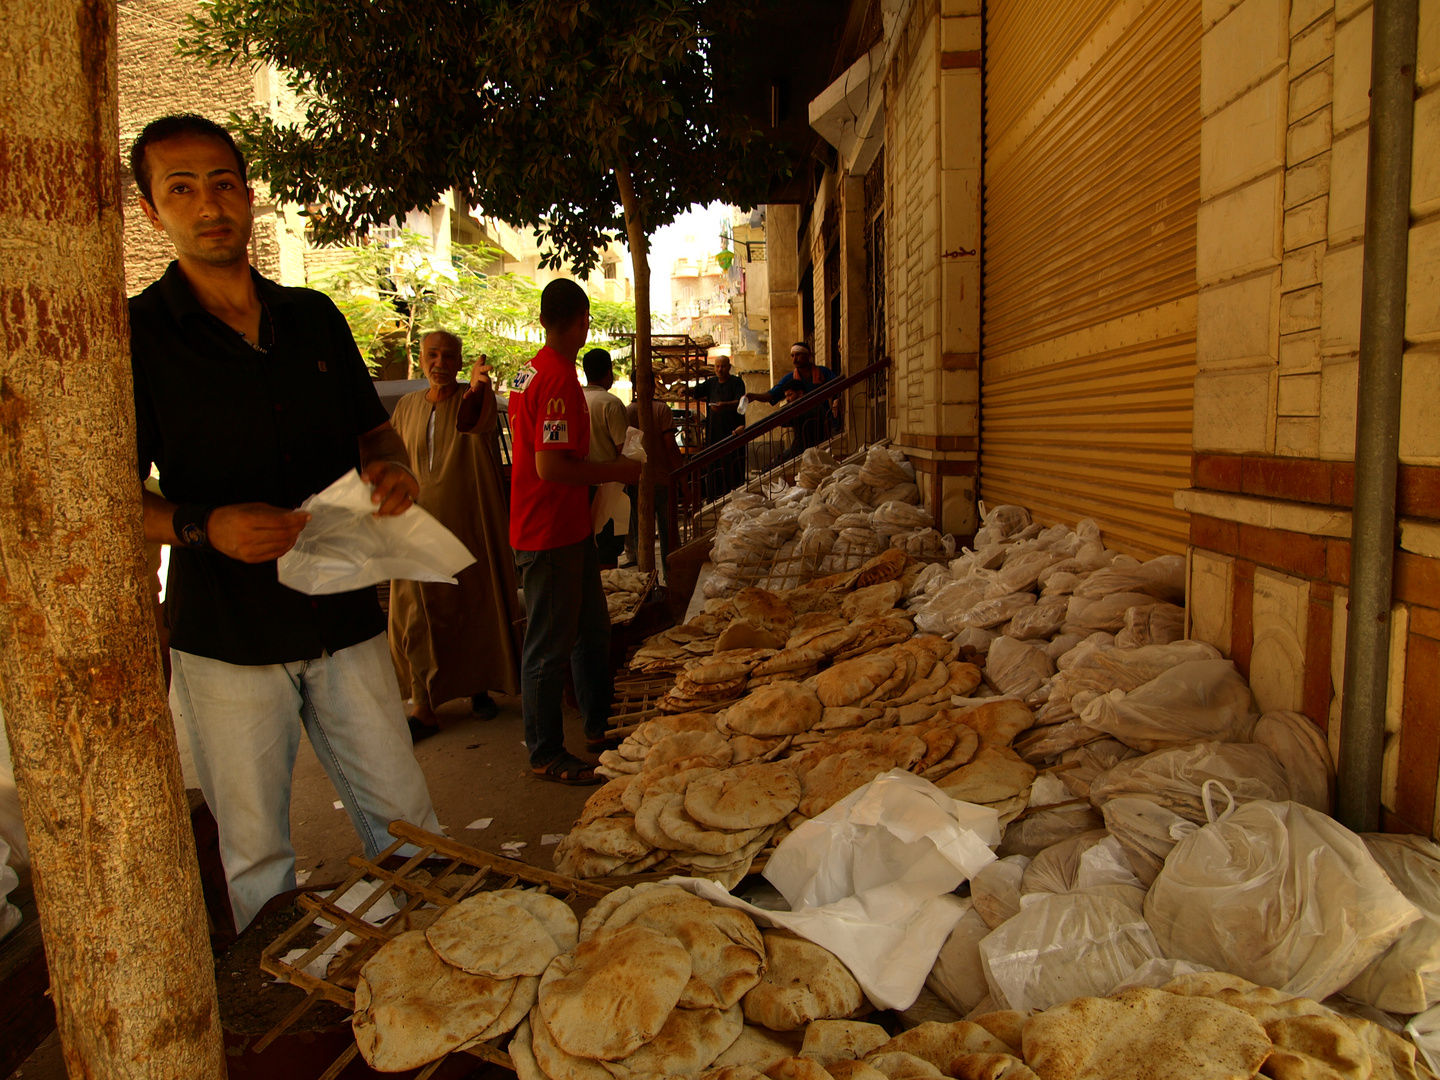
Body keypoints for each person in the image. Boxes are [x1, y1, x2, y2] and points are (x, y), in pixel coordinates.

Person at [127, 113, 440, 930]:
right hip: (226, 636)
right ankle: (296, 1020)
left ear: (248, 193)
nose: (209, 205)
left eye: (223, 183)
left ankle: (444, 976)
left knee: (410, 822)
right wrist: (201, 526)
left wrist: (390, 465)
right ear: (151, 210)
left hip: (340, 609)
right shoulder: (135, 338)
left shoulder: (312, 317)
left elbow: (368, 427)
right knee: (259, 854)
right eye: (181, 189)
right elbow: (105, 502)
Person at [508, 279, 642, 785]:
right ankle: (544, 751)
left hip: (564, 527)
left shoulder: (527, 370)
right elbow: (551, 467)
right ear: (583, 319)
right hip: (548, 531)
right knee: (547, 645)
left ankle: (598, 724)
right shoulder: (560, 379)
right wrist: (616, 472)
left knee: (592, 629)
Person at [388, 332, 522, 739]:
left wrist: (480, 387)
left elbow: (474, 422)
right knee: (416, 614)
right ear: (422, 359)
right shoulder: (407, 406)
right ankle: (422, 703)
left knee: (471, 608)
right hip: (413, 530)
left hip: (466, 524)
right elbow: (390, 458)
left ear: (461, 361)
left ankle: (477, 688)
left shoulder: (472, 398)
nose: (439, 362)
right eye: (432, 355)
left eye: (449, 355)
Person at [624, 373, 684, 575]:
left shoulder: (628, 411)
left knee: (642, 536)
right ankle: (671, 579)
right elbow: (670, 448)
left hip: (642, 481)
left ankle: (648, 579)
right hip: (659, 480)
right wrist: (683, 482)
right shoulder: (660, 410)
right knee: (667, 537)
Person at [581, 347, 630, 565]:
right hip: (608, 489)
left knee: (587, 550)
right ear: (609, 372)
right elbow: (624, 450)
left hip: (580, 485)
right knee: (607, 553)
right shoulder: (610, 403)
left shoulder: (576, 399)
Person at [681, 353, 746, 497]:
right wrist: (686, 390)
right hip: (714, 433)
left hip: (733, 432)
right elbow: (697, 391)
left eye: (723, 366)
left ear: (729, 367)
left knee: (732, 467)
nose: (720, 369)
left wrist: (724, 405)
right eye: (717, 366)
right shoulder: (711, 383)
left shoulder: (737, 383)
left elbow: (740, 402)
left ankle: (734, 496)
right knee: (715, 466)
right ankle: (714, 497)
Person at [777, 383, 827, 462]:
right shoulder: (813, 406)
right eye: (786, 396)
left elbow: (782, 421)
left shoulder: (803, 410)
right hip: (800, 448)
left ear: (800, 393)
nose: (787, 399)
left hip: (802, 450)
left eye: (790, 395)